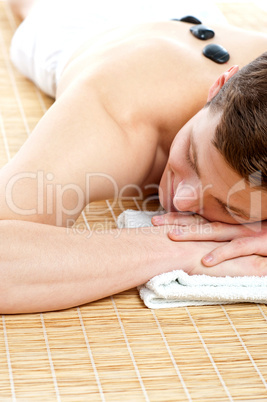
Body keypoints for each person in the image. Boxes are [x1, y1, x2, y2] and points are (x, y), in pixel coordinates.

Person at [0, 0, 266, 314]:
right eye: (191, 158)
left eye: (227, 205)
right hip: (81, 23)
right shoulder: (110, 120)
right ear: (217, 87)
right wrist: (180, 247)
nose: (180, 201)